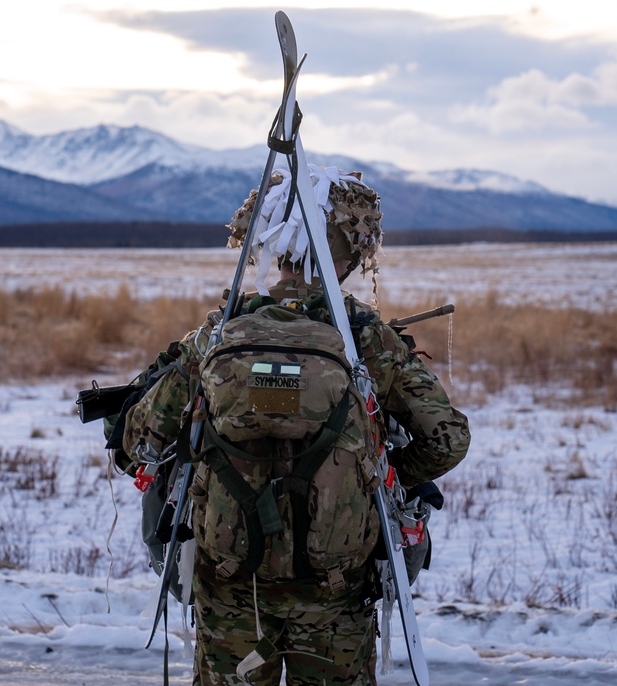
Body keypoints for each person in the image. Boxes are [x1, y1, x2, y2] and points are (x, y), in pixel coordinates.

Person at [122, 165, 471, 685]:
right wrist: (379, 470)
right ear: (348, 258)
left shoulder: (218, 335)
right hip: (335, 594)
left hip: (230, 591)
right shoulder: (364, 340)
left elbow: (139, 443)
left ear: (269, 247)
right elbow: (447, 441)